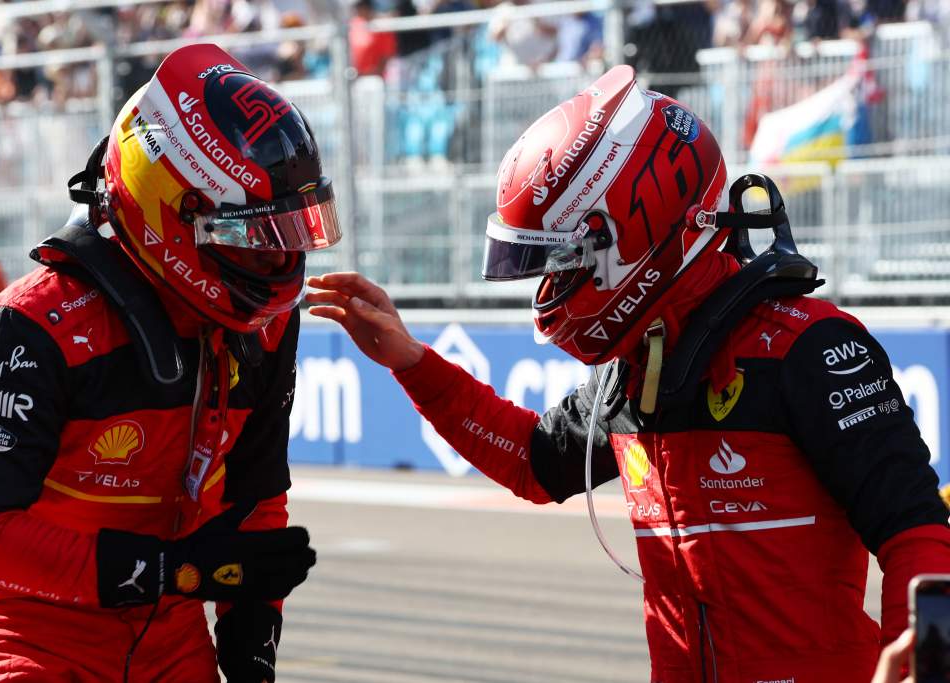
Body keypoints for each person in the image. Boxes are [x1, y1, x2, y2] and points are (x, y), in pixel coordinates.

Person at [307, 65, 950, 682]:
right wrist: (411, 362)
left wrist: (919, 662)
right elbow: (536, 462)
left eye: (564, 260)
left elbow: (916, 531)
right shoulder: (638, 363)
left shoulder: (809, 349)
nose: (554, 285)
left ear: (633, 230)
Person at [0, 43, 340, 682]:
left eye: (289, 234)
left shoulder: (265, 327)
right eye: (253, 236)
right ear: (168, 209)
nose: (277, 261)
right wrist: (171, 570)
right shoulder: (27, 327)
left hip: (170, 639)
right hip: (30, 632)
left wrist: (251, 640)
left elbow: (256, 501)